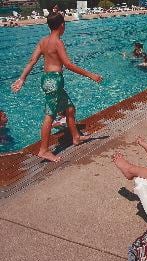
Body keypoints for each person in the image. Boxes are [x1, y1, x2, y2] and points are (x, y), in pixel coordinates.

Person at [11, 13, 102, 162]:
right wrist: (90, 75)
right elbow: (68, 64)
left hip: (47, 79)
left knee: (70, 109)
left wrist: (22, 78)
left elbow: (32, 60)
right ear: (61, 25)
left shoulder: (43, 41)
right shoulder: (58, 42)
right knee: (50, 115)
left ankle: (76, 137)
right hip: (54, 81)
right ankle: (44, 150)